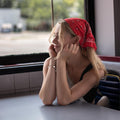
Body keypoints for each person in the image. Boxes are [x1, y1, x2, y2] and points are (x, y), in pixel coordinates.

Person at [39, 18, 107, 106]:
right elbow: (46, 100)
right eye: (54, 36)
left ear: (75, 40)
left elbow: (64, 100)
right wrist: (53, 60)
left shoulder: (95, 71)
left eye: (59, 36)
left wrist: (61, 61)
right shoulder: (50, 63)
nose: (53, 41)